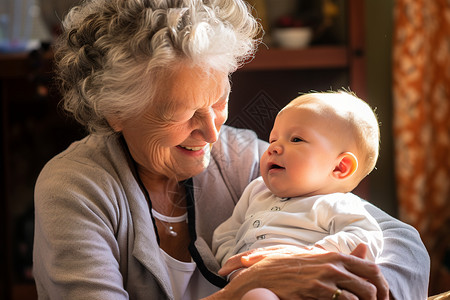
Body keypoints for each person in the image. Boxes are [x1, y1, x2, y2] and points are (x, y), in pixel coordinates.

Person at [32, 0, 430, 299]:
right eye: (183, 112)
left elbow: (405, 248)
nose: (210, 132)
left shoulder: (238, 156)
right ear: (115, 112)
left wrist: (337, 282)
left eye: (219, 100)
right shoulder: (75, 188)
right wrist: (246, 288)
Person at [213, 92, 384, 300]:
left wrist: (313, 257)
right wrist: (233, 263)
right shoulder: (256, 191)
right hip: (246, 282)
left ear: (340, 167)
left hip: (306, 285)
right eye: (273, 139)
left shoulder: (337, 203)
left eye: (296, 139)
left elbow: (365, 237)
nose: (273, 147)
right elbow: (227, 232)